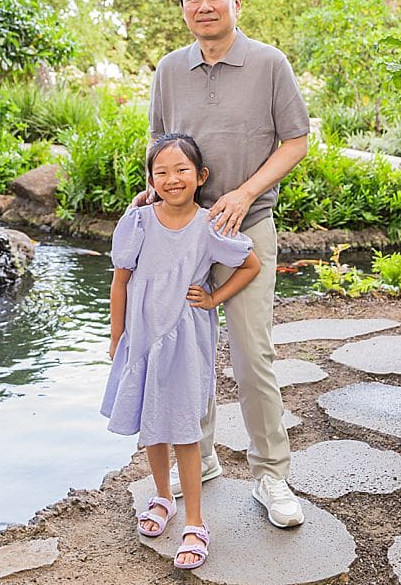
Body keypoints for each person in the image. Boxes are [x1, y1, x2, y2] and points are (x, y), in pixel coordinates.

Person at [146, 0, 311, 528]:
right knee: (185, 350)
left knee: (251, 353)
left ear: (236, 2)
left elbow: (295, 140)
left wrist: (241, 194)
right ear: (183, 7)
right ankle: (204, 455)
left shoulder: (269, 64)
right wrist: (152, 193)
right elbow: (159, 146)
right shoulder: (169, 69)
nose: (204, 5)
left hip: (246, 229)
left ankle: (271, 474)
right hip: (182, 233)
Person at [101, 132, 262, 571]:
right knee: (151, 423)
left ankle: (195, 521)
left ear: (200, 176)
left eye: (181, 170)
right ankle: (161, 496)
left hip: (186, 337)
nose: (172, 179)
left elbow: (250, 265)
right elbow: (120, 280)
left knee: (185, 427)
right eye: (162, 172)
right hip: (142, 332)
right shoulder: (137, 221)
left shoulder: (209, 225)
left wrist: (213, 298)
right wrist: (117, 336)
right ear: (150, 178)